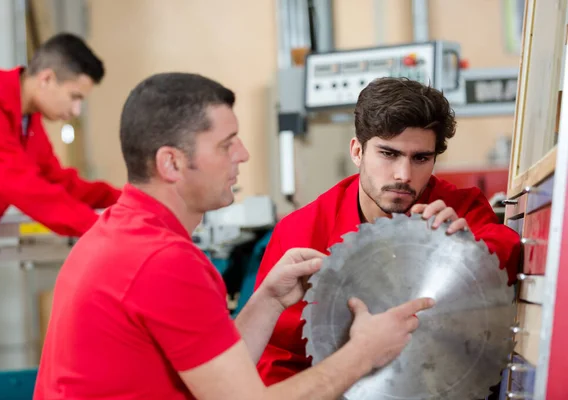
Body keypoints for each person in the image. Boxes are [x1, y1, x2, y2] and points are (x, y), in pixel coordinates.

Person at [33, 72, 435, 400]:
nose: (243, 153)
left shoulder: (120, 234)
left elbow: (218, 376)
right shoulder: (164, 262)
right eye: (227, 144)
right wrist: (363, 353)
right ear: (171, 163)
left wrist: (269, 300)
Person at [253, 77, 522, 385]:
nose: (404, 175)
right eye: (388, 154)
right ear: (357, 151)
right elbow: (277, 356)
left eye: (421, 158)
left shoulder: (458, 208)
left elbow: (508, 248)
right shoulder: (301, 231)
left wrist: (466, 252)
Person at [0, 33, 120, 258]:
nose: (75, 110)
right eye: (74, 97)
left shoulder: (28, 121)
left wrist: (124, 200)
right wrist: (101, 228)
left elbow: (57, 182)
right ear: (46, 78)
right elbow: (22, 185)